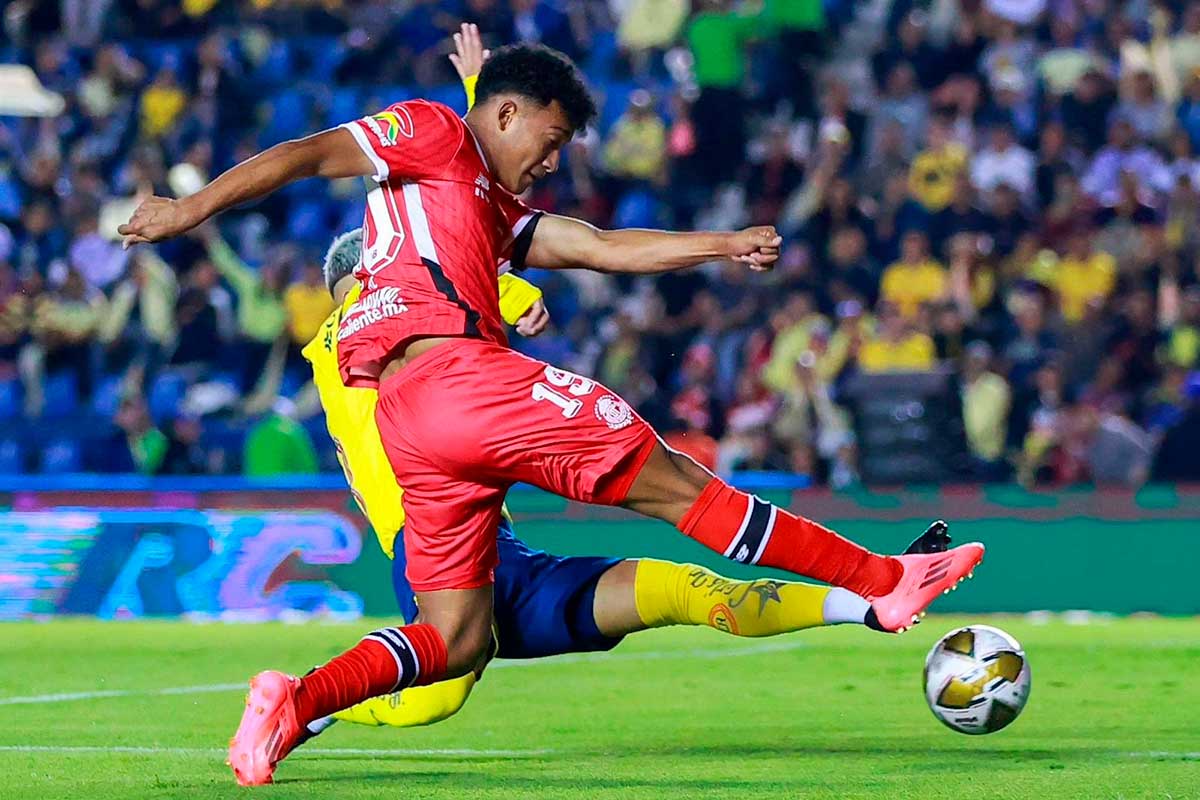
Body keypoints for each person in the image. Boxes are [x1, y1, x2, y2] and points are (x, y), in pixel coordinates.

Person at [120, 26, 984, 786]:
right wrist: (189, 210)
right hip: (466, 380)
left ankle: (295, 702)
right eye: (553, 135)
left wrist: (720, 243)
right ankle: (884, 581)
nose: (557, 157)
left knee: (457, 639)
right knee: (679, 485)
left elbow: (602, 246)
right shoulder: (430, 133)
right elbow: (312, 153)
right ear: (507, 114)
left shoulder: (485, 206)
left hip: (414, 423)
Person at [302, 226, 955, 741]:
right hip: (431, 552)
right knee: (438, 693)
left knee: (683, 590)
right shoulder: (387, 310)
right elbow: (480, 261)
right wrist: (514, 294)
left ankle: (865, 602)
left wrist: (479, 94)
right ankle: (313, 701)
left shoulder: (339, 350)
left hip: (495, 547)